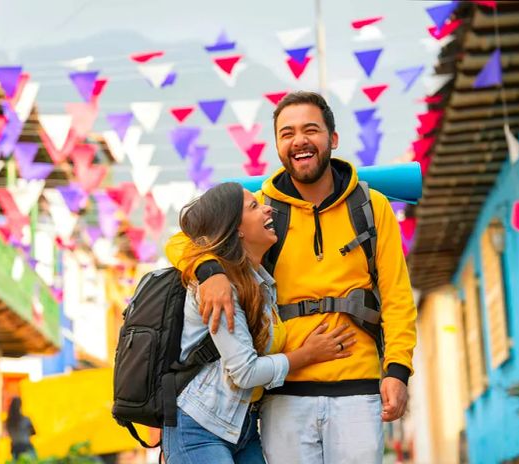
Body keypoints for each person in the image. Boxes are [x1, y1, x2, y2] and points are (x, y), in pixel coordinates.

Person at [166, 91, 417, 463]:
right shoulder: (260, 207)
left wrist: (397, 370)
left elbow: (397, 297)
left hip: (358, 388)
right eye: (287, 133)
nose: (299, 140)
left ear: (332, 139)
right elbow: (179, 239)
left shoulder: (371, 207)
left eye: (310, 129)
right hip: (284, 393)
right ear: (278, 147)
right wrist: (208, 270)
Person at [163, 181, 358, 464]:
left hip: (241, 426)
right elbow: (244, 372)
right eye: (254, 206)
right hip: (198, 426)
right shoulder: (220, 288)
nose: (268, 208)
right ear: (236, 229)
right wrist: (307, 355)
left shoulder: (261, 283)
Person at [5, 396, 37, 461]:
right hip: (26, 447)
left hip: (15, 449)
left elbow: (8, 434)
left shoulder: (8, 422)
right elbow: (34, 432)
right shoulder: (25, 420)